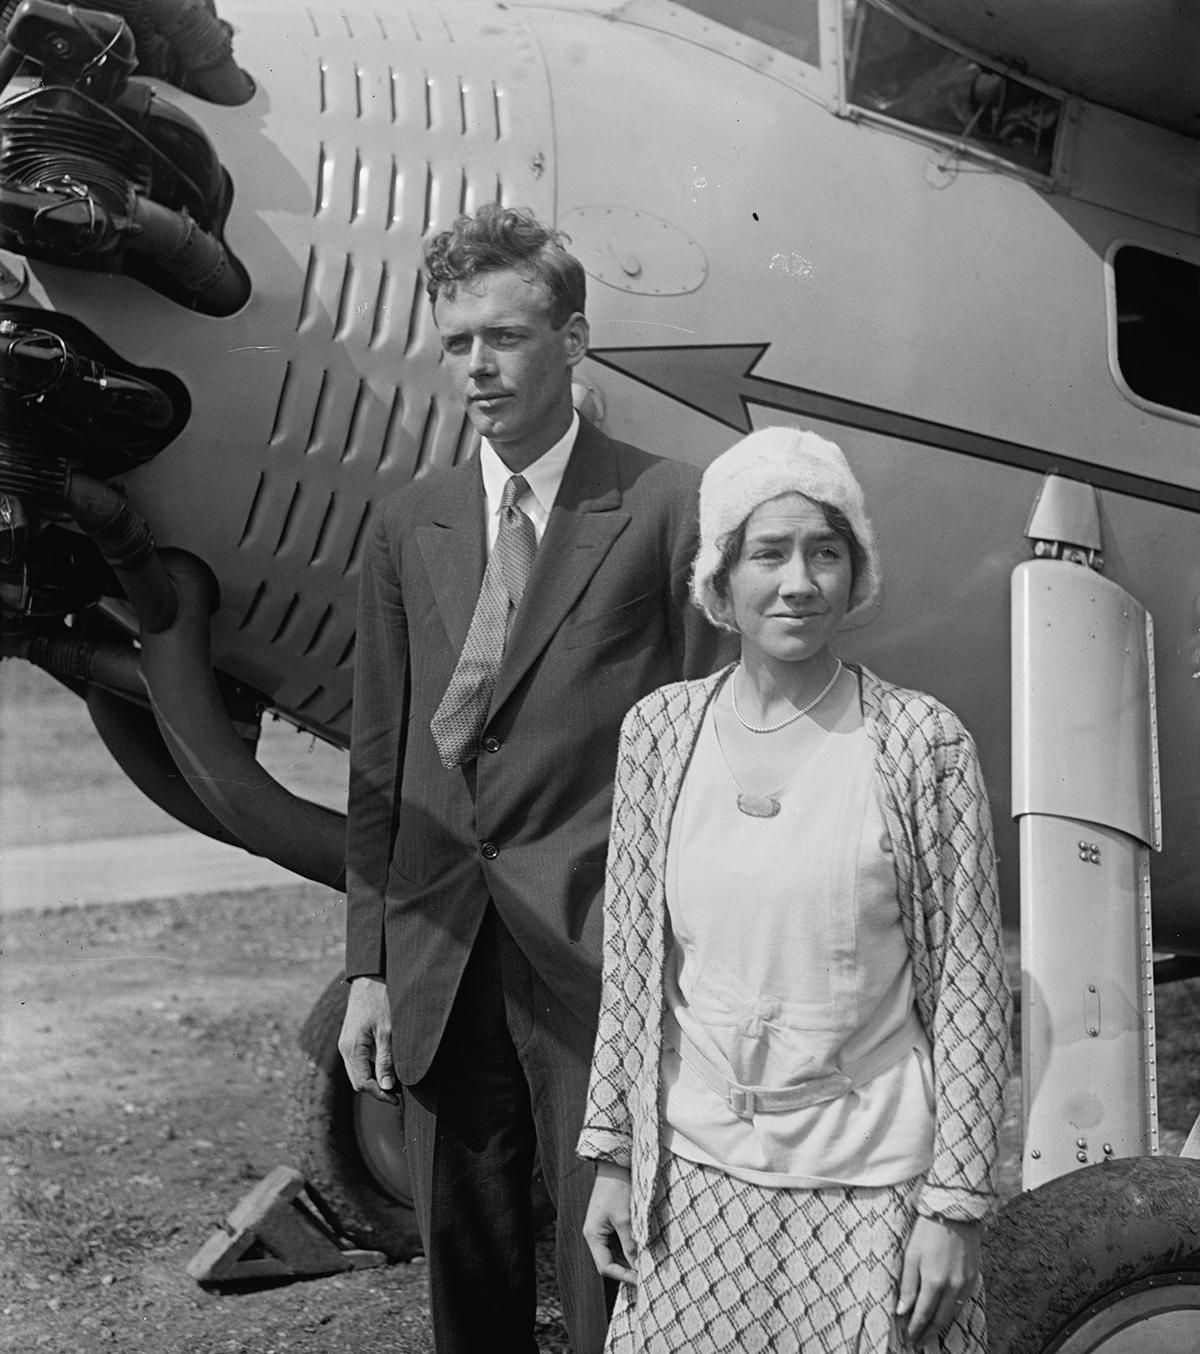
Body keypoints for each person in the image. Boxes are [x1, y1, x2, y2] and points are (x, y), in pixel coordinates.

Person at [337, 203, 729, 1354]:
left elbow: (713, 746)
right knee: (467, 1262)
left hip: (599, 947)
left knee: (615, 1258)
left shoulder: (669, 506)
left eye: (504, 336)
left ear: (574, 338)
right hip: (440, 950)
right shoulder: (408, 524)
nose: (478, 366)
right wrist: (367, 960)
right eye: (456, 341)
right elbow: (379, 761)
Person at [578, 426, 1012, 1353]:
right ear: (721, 581)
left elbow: (973, 989)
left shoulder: (919, 744)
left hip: (872, 1198)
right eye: (767, 553)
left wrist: (957, 1206)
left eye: (826, 552)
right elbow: (632, 966)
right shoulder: (660, 733)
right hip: (694, 1190)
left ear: (855, 574)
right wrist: (614, 1160)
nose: (799, 581)